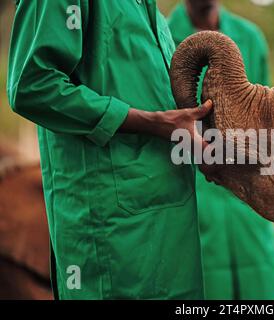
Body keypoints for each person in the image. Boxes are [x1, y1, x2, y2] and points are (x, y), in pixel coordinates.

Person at [7, 0, 213, 299]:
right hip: (112, 229)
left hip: (170, 226)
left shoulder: (147, 10)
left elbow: (167, 114)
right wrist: (152, 123)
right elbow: (32, 85)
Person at [168, 0, 274, 300]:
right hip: (193, 187)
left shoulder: (250, 37)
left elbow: (264, 117)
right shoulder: (165, 37)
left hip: (247, 194)